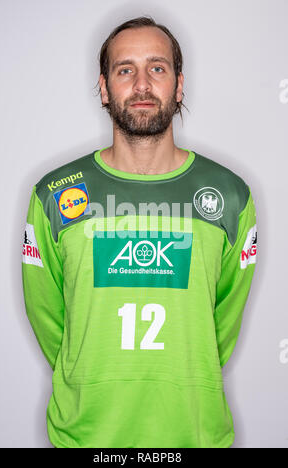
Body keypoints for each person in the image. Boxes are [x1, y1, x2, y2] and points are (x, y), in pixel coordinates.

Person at [22, 16, 257, 448]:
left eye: (158, 68)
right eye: (125, 69)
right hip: (86, 436)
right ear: (104, 87)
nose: (142, 84)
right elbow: (48, 315)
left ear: (179, 85)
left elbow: (221, 321)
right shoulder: (54, 195)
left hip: (193, 434)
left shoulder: (230, 195)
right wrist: (91, 371)